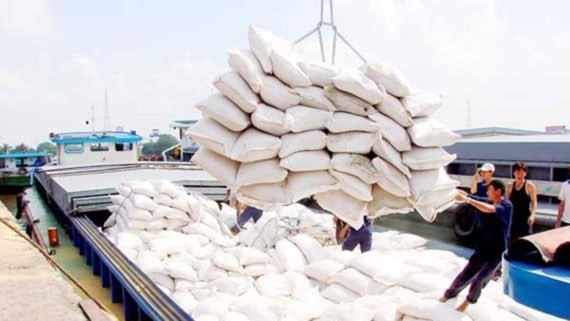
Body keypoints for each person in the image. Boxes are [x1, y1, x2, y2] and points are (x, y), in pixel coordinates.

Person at [440, 180, 513, 312]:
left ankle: (468, 301)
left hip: (496, 253)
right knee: (465, 275)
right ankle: (449, 294)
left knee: (479, 279)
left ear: (498, 191)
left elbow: (489, 209)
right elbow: (468, 196)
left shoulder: (506, 206)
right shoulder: (487, 201)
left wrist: (468, 200)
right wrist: (451, 191)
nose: (487, 192)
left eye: (489, 190)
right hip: (482, 249)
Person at [506, 162, 537, 241]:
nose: (520, 175)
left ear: (525, 173)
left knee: (525, 240)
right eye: (517, 172)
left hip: (525, 218)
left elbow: (534, 201)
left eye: (522, 173)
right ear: (514, 173)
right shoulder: (509, 186)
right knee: (512, 239)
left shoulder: (530, 186)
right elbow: (507, 202)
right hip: (513, 217)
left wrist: (533, 215)